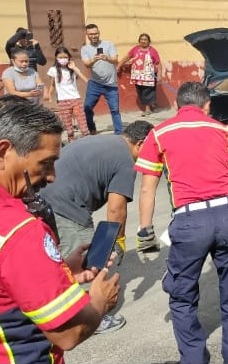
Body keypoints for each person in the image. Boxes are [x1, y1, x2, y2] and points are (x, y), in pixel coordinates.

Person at [135, 81, 228, 364]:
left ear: (177, 105)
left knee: (182, 296)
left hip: (190, 222)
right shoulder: (224, 131)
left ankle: (193, 359)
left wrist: (145, 233)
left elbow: (146, 189)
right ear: (207, 105)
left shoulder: (159, 133)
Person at [0, 96, 120, 362]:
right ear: (3, 152)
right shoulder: (21, 230)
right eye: (45, 162)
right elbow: (69, 333)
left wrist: (61, 273)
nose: (52, 175)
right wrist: (100, 301)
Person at [40, 119, 153, 334]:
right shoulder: (126, 161)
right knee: (86, 261)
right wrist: (117, 240)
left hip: (43, 195)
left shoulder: (106, 141)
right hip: (66, 204)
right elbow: (116, 209)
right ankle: (89, 319)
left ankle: (50, 308)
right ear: (139, 144)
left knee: (55, 259)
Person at [81, 24, 122, 135]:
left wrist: (107, 58)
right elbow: (87, 64)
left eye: (95, 33)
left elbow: (115, 60)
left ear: (99, 33)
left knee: (115, 110)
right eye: (91, 34)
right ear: (87, 35)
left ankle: (119, 133)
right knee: (87, 108)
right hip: (95, 84)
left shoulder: (109, 44)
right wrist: (94, 59)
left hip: (111, 84)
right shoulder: (85, 49)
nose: (94, 36)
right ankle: (92, 129)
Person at [47, 46, 91, 142]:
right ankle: (72, 143)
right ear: (56, 58)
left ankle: (88, 142)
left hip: (76, 99)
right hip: (63, 101)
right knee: (69, 128)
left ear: (69, 57)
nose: (63, 59)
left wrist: (74, 68)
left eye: (65, 57)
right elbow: (52, 85)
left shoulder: (72, 69)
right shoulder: (53, 70)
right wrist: (49, 95)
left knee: (83, 125)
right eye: (60, 57)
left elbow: (85, 80)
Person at [117, 33, 163, 116]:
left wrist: (159, 74)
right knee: (140, 91)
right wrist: (119, 65)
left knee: (147, 91)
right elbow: (127, 57)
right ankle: (151, 104)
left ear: (149, 41)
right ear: (139, 41)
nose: (143, 41)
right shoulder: (135, 49)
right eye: (141, 39)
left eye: (145, 40)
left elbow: (158, 63)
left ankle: (147, 109)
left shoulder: (153, 51)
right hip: (137, 76)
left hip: (149, 76)